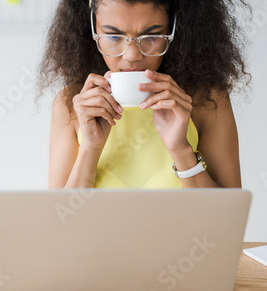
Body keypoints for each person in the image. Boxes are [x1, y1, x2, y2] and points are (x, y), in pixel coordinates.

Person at [37, 0, 252, 189]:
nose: (132, 55)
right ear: (92, 32)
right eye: (113, 36)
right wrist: (90, 149)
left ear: (177, 30)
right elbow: (60, 226)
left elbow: (226, 220)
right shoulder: (71, 105)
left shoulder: (209, 100)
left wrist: (181, 149)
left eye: (152, 36)